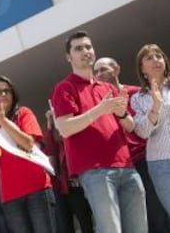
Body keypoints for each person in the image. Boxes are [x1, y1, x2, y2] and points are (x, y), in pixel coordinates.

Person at [50, 31, 147, 233]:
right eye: (78, 48)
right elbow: (65, 128)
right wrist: (100, 110)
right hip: (95, 172)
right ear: (69, 57)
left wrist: (121, 114)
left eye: (88, 47)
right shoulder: (64, 88)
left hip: (127, 167)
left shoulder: (107, 88)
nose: (86, 51)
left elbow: (130, 126)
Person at [95, 56, 170, 232]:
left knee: (158, 213)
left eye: (103, 69)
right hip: (123, 167)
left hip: (147, 160)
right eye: (96, 72)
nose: (99, 74)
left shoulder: (138, 94)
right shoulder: (100, 104)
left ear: (117, 69)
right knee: (143, 220)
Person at [0, 75, 56, 233]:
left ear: (13, 95)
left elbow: (28, 143)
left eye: (7, 91)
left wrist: (3, 120)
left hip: (37, 189)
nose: (3, 94)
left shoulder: (23, 113)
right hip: (10, 198)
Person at [131, 44, 170, 218]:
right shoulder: (138, 98)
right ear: (142, 68)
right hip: (160, 164)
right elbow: (143, 133)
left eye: (159, 56)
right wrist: (155, 105)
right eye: (149, 58)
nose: (156, 60)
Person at [43, 110, 93, 233]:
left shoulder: (76, 137)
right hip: (64, 189)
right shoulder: (58, 144)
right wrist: (49, 125)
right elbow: (50, 151)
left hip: (80, 188)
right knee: (64, 227)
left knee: (87, 225)